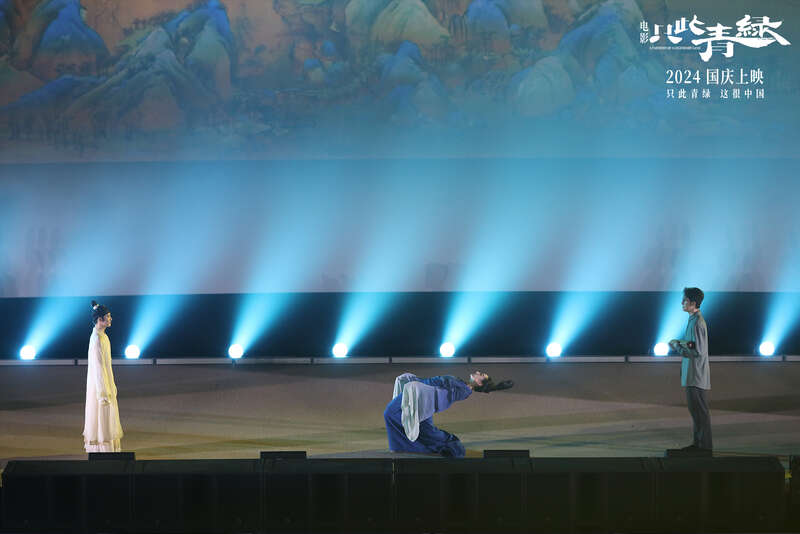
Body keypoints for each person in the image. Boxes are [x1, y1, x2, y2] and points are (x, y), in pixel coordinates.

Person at [383, 371, 513, 457]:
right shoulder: (462, 385)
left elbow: (440, 387)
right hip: (421, 395)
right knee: (420, 427)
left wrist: (417, 384)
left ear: (479, 383)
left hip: (421, 395)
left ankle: (449, 445)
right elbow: (436, 383)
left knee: (391, 413)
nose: (478, 372)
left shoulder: (463, 389)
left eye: (481, 375)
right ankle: (402, 447)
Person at [669, 287, 711, 452]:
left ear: (693, 303)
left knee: (700, 412)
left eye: (685, 300)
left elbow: (696, 351)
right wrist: (680, 342)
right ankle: (698, 445)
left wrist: (677, 347)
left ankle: (704, 447)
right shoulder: (694, 320)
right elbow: (693, 344)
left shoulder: (697, 323)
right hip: (693, 375)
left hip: (696, 375)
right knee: (697, 412)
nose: (682, 303)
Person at [83, 300, 124, 453]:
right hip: (101, 386)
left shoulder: (103, 336)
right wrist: (103, 393)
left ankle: (108, 449)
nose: (110, 318)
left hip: (106, 382)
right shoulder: (97, 339)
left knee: (107, 416)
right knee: (102, 415)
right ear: (100, 319)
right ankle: (103, 450)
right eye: (108, 316)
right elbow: (99, 368)